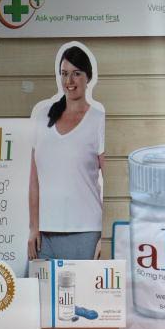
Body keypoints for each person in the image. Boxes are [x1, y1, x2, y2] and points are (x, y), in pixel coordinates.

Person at [28, 44, 105, 261]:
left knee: (81, 294)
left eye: (76, 74)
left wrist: (104, 236)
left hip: (86, 231)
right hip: (45, 235)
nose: (69, 81)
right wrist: (34, 228)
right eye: (64, 74)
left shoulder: (98, 120)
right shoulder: (43, 117)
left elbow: (110, 181)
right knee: (40, 293)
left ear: (88, 77)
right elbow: (34, 179)